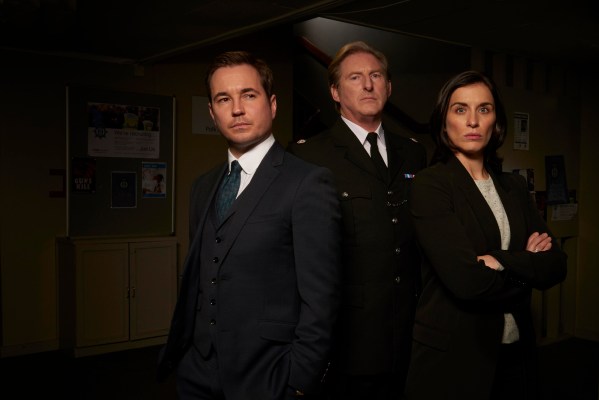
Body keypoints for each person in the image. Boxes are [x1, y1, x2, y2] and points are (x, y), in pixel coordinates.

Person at [157, 51, 342, 400]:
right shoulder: (202, 186)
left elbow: (322, 299)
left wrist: (300, 380)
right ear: (212, 112)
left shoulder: (307, 183)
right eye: (223, 99)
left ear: (272, 104)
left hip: (268, 376)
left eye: (249, 95)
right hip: (197, 373)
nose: (237, 109)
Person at [404, 70, 568, 400]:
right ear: (444, 121)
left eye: (484, 109)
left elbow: (556, 265)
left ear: (496, 120)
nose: (473, 121)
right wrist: (526, 267)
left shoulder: (514, 187)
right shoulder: (431, 185)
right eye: (460, 109)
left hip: (515, 351)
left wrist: (498, 260)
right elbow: (467, 282)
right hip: (456, 357)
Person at [289, 41, 427, 400]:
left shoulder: (413, 152)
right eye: (355, 77)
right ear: (335, 92)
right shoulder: (310, 156)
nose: (368, 85)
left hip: (410, 335)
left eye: (376, 76)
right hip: (349, 342)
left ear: (388, 87)